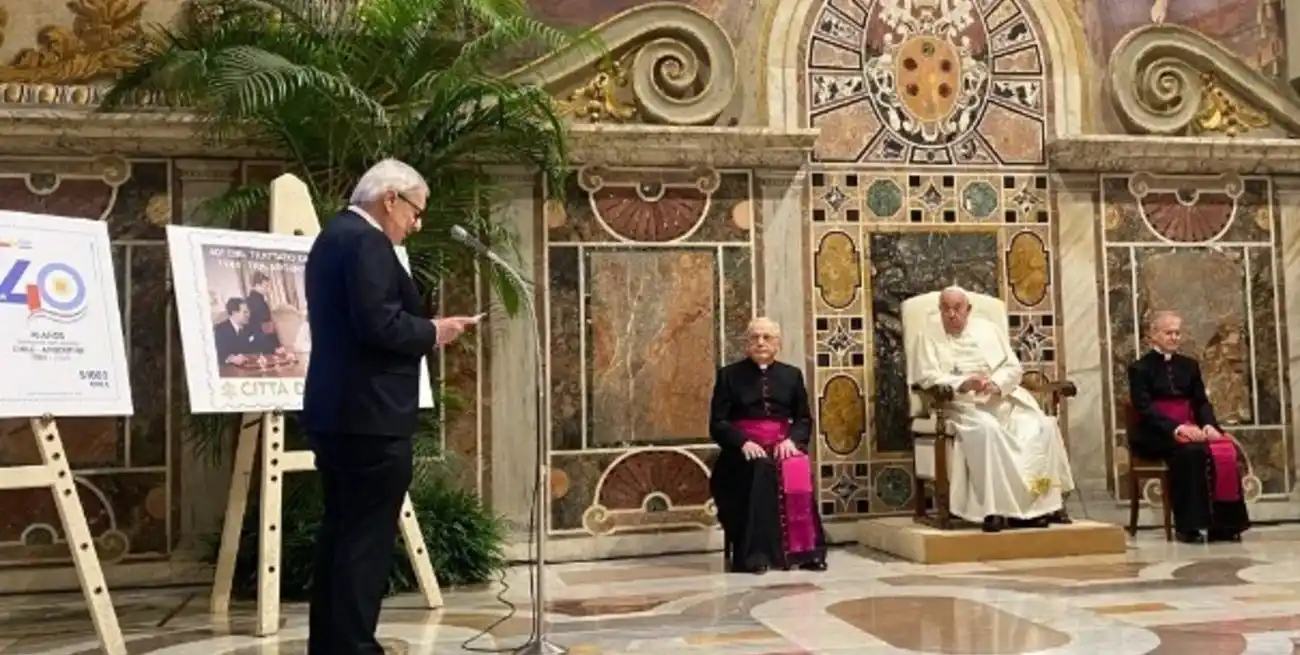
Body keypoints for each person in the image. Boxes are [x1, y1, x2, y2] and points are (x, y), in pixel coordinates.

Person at [302, 159, 480, 654]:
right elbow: (379, 325)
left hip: (339, 411)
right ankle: (354, 647)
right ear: (390, 200)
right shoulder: (366, 242)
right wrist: (434, 331)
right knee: (364, 543)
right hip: (369, 418)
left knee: (342, 535)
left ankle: (333, 645)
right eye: (416, 212)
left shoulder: (333, 236)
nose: (416, 224)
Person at [911, 286, 1076, 532]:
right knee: (989, 431)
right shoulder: (928, 335)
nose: (951, 314)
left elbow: (1013, 368)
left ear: (968, 309)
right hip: (960, 406)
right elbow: (926, 377)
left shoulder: (988, 330)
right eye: (945, 309)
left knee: (1042, 427)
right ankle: (995, 509)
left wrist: (996, 384)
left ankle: (1040, 504)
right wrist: (963, 383)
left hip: (1001, 400)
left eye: (957, 308)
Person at [709, 317, 827, 574]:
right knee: (759, 468)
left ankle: (806, 552)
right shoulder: (729, 375)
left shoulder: (792, 375)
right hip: (743, 452)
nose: (760, 342)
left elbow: (804, 418)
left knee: (795, 466)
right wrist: (743, 442)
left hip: (782, 444)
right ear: (746, 344)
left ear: (778, 344)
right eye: (754, 337)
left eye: (766, 337)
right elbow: (717, 422)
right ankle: (755, 555)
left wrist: (792, 440)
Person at [1127, 311, 1250, 544]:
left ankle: (1224, 526)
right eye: (1168, 332)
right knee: (1191, 453)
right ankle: (1189, 526)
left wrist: (1210, 426)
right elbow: (1144, 408)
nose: (1174, 337)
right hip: (1155, 432)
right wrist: (1177, 429)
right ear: (1153, 335)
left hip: (1190, 426)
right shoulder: (1139, 369)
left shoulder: (1189, 365)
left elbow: (1200, 401)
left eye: (1177, 332)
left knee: (1223, 450)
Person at [245, 271, 282, 354]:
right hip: (263, 345)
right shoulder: (260, 303)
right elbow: (267, 328)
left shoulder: (247, 301)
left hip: (252, 343)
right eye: (266, 286)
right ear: (257, 285)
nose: (268, 290)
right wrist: (276, 347)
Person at [213, 297, 258, 365]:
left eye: (248, 311)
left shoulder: (251, 327)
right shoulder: (220, 330)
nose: (249, 315)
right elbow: (219, 354)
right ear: (234, 313)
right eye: (245, 312)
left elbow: (260, 346)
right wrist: (231, 359)